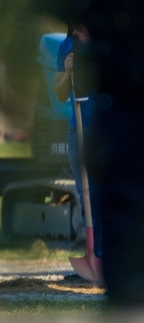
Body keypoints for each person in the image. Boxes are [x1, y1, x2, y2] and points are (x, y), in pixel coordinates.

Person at [26, 0, 144, 308]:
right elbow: (60, 87)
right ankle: (109, 261)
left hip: (115, 105)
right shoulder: (75, 43)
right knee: (99, 191)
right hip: (114, 106)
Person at [52, 20, 102, 263]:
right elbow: (60, 92)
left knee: (108, 194)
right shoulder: (66, 47)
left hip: (106, 128)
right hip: (79, 128)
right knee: (86, 195)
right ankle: (94, 254)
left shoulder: (106, 42)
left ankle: (113, 257)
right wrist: (69, 72)